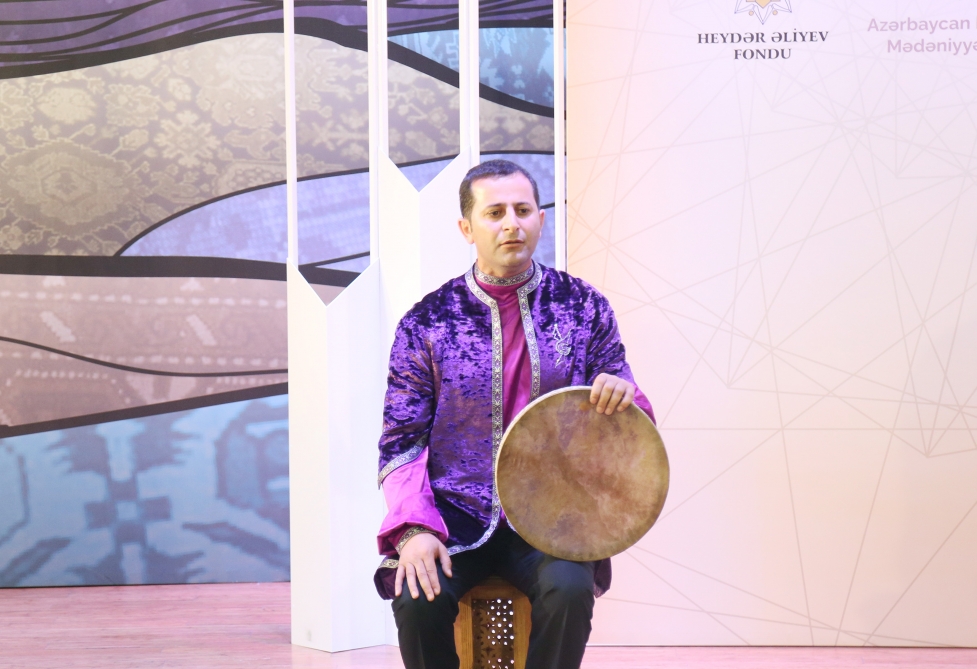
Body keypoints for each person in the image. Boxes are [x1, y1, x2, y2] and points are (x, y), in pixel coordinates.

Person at [374, 159, 655, 669]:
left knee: (569, 589)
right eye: (495, 212)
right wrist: (414, 531)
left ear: (540, 220)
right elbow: (402, 443)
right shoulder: (427, 322)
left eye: (523, 210)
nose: (511, 224)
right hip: (454, 518)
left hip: (555, 516)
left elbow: (626, 421)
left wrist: (625, 396)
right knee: (417, 597)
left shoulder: (583, 307)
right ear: (467, 228)